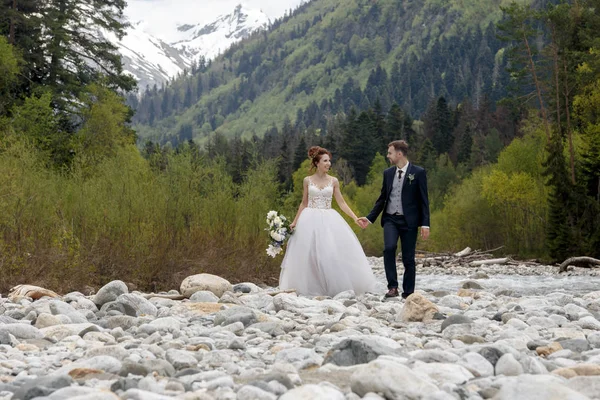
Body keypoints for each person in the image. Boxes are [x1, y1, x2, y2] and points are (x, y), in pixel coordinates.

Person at [279, 146, 378, 297]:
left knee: (329, 253)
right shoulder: (307, 180)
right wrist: (294, 222)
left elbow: (341, 203)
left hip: (328, 219)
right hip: (309, 219)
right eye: (325, 161)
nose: (329, 164)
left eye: (329, 161)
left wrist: (354, 217)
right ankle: (311, 287)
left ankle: (331, 287)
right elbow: (304, 203)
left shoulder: (334, 181)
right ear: (317, 163)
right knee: (309, 254)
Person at [357, 140, 430, 299]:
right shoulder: (388, 173)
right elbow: (382, 199)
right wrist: (369, 219)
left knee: (408, 257)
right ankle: (392, 287)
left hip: (409, 221)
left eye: (390, 153)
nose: (388, 156)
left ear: (399, 154)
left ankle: (408, 292)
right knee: (389, 248)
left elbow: (424, 200)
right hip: (390, 219)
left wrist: (425, 224)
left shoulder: (418, 172)